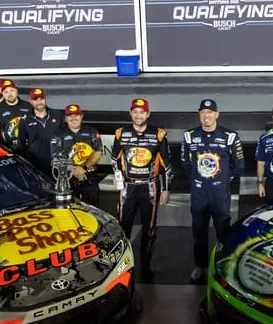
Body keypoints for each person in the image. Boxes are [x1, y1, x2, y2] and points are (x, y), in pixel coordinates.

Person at [181, 99, 244, 284]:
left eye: (210, 112)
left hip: (219, 194)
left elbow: (239, 165)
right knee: (198, 232)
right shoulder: (189, 136)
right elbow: (185, 163)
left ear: (217, 114)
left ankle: (222, 266)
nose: (206, 116)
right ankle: (199, 266)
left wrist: (223, 179)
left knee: (223, 232)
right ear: (199, 115)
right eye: (203, 112)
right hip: (199, 194)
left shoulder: (230, 136)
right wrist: (199, 179)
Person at [111, 98, 171, 277]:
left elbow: (166, 166)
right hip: (127, 187)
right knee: (123, 227)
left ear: (148, 113)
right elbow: (114, 160)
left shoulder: (159, 134)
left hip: (150, 187)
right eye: (135, 112)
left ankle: (145, 265)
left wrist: (166, 189)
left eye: (142, 112)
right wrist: (118, 178)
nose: (138, 115)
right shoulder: (121, 133)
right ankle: (122, 265)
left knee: (149, 228)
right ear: (131, 113)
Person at [50, 104, 102, 205]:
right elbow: (55, 158)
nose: (73, 118)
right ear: (66, 118)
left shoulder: (92, 132)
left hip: (89, 177)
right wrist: (74, 169)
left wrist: (83, 168)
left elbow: (98, 152)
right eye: (70, 115)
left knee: (92, 207)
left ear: (81, 116)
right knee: (69, 208)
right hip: (67, 179)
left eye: (76, 115)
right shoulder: (58, 134)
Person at [18, 88, 63, 176]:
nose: (39, 102)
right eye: (36, 99)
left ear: (45, 99)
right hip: (36, 165)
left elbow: (64, 136)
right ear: (31, 101)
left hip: (57, 163)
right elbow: (21, 143)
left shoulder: (57, 114)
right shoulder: (25, 119)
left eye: (41, 99)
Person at [0, 80, 31, 151]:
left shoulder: (28, 106)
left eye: (11, 90)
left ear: (16, 91)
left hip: (29, 147)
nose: (9, 94)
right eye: (6, 92)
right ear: (2, 94)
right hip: (10, 149)